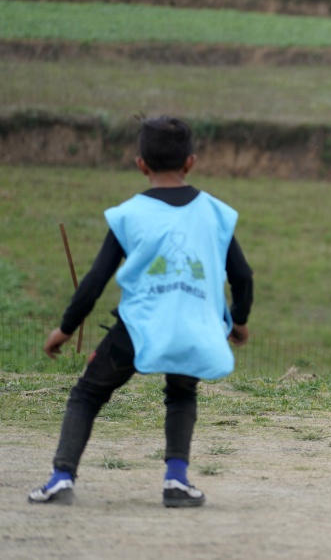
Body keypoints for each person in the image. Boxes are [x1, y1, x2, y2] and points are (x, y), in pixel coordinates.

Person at [28, 116, 254, 506]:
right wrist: (240, 320)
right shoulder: (216, 213)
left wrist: (65, 329)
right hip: (192, 330)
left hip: (137, 330)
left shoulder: (129, 214)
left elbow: (95, 280)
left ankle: (61, 478)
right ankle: (176, 482)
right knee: (181, 395)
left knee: (87, 395)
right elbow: (243, 275)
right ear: (190, 162)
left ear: (141, 164)